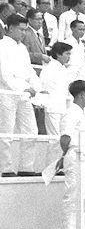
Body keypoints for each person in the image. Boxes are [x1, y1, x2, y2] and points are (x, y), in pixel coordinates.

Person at [0, 15, 41, 176]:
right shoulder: (2, 46)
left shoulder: (23, 48)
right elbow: (5, 75)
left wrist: (35, 87)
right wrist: (24, 88)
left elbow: (30, 72)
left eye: (25, 30)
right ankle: (5, 167)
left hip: (25, 94)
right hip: (7, 93)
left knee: (31, 130)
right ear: (10, 28)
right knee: (6, 132)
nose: (24, 33)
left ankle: (26, 167)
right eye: (21, 30)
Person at [59, 80, 85, 229]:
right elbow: (65, 138)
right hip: (76, 155)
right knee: (73, 195)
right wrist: (67, 155)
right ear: (81, 94)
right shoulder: (71, 113)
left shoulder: (82, 113)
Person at [39, 41, 77, 135]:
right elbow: (44, 88)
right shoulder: (49, 69)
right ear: (58, 54)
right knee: (54, 138)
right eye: (67, 53)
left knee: (63, 136)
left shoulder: (64, 69)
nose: (69, 56)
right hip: (52, 108)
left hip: (63, 107)